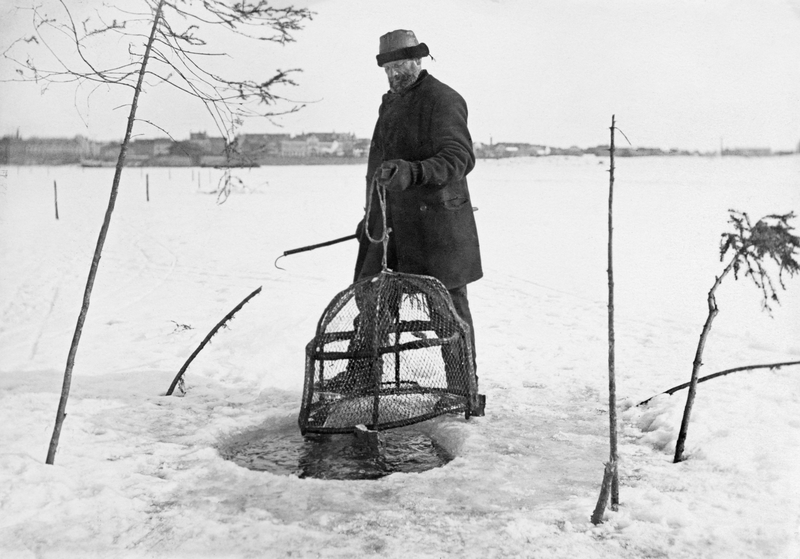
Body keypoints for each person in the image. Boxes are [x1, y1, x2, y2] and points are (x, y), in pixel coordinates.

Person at [352, 29, 483, 389]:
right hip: (389, 226)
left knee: (447, 313)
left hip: (436, 229)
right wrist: (370, 217)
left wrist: (415, 171)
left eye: (400, 66)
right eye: (388, 68)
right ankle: (362, 377)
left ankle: (461, 388)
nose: (394, 75)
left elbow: (459, 157)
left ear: (418, 61)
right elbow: (379, 164)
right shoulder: (390, 103)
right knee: (370, 299)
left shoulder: (443, 100)